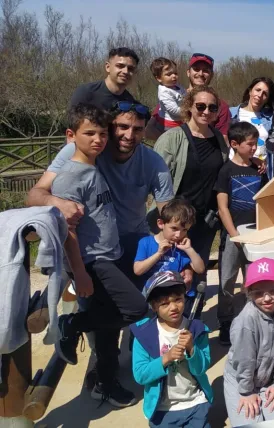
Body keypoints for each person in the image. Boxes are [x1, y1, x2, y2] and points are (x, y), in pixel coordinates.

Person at [27, 101, 174, 395]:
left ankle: (106, 373)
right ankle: (99, 368)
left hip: (126, 245)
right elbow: (36, 194)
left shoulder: (151, 161)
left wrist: (177, 242)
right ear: (110, 127)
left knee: (116, 312)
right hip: (92, 253)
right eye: (121, 127)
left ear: (145, 131)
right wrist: (58, 204)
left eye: (137, 129)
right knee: (123, 310)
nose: (128, 135)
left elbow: (166, 212)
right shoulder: (83, 153)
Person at [52, 104, 147, 407]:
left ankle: (106, 383)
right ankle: (74, 324)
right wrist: (79, 272)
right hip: (94, 261)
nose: (98, 140)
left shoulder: (94, 167)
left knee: (107, 332)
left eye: (102, 134)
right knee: (136, 308)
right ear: (71, 136)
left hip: (111, 254)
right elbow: (69, 231)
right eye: (89, 133)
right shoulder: (70, 177)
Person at [154, 86, 229, 303]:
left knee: (196, 273)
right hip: (176, 222)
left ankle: (191, 323)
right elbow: (157, 181)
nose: (206, 111)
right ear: (189, 107)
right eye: (201, 106)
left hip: (205, 222)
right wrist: (169, 222)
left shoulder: (218, 139)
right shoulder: (172, 139)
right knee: (171, 276)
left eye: (212, 107)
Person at [131, 271, 213, 428]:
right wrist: (166, 358)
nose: (174, 307)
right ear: (154, 306)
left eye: (178, 300)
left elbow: (202, 368)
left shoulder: (197, 329)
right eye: (164, 303)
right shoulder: (144, 334)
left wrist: (191, 349)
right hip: (163, 409)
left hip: (196, 402)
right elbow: (140, 375)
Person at [223, 258, 274, 426]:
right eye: (258, 293)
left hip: (270, 376)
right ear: (248, 292)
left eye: (273, 290)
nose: (267, 298)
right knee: (250, 422)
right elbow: (245, 361)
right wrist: (246, 392)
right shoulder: (245, 321)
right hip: (242, 379)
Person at [215, 122, 268, 345]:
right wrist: (234, 235)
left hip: (255, 236)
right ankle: (226, 322)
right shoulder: (226, 170)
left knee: (253, 281)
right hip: (233, 237)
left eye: (256, 143)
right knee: (227, 281)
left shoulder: (259, 168)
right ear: (235, 145)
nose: (254, 148)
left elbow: (266, 199)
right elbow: (222, 207)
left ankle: (252, 321)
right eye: (250, 144)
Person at [146, 53, 230, 141]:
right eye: (196, 69)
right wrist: (175, 143)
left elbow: (223, 139)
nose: (201, 73)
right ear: (188, 73)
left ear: (211, 75)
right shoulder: (173, 97)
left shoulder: (220, 105)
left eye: (206, 70)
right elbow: (148, 131)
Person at [133, 199, 205, 283]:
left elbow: (200, 269)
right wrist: (159, 254)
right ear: (161, 223)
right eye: (174, 228)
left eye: (184, 230)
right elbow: (138, 270)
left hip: (175, 292)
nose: (178, 235)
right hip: (152, 293)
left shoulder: (182, 246)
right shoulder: (146, 242)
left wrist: (189, 249)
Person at [229, 77, 274, 178]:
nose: (260, 95)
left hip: (261, 173)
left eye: (265, 93)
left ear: (268, 99)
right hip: (235, 171)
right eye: (257, 90)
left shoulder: (272, 118)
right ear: (250, 91)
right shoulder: (231, 113)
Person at [69, 47, 139, 111]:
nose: (125, 71)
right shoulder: (86, 93)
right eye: (120, 66)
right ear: (108, 67)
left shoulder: (130, 103)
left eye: (130, 68)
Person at [151, 57, 186, 130]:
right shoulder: (164, 92)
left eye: (175, 73)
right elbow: (174, 110)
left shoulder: (177, 86)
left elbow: (186, 96)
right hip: (170, 125)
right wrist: (189, 110)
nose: (174, 76)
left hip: (180, 120)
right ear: (159, 78)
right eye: (169, 74)